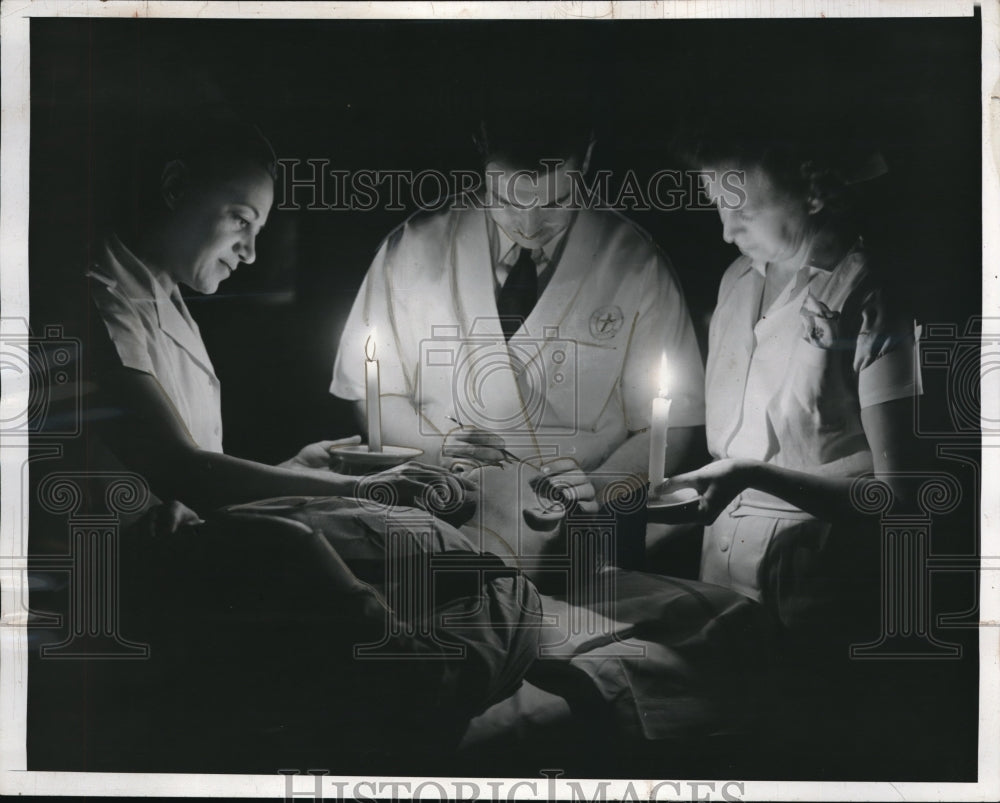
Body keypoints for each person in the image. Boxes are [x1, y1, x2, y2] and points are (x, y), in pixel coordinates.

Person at [330, 95, 706, 563]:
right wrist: (438, 450)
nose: (530, 224)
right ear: (481, 158)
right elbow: (375, 395)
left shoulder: (633, 263)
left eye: (556, 200)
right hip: (437, 528)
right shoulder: (412, 249)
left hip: (577, 540)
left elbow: (672, 424)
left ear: (585, 158)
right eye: (506, 199)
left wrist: (599, 488)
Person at [86, 117, 472, 519]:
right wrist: (360, 487)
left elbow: (204, 471)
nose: (250, 252)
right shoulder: (101, 302)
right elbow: (179, 469)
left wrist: (290, 473)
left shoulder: (165, 301)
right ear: (175, 186)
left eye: (258, 229)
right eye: (240, 218)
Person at [655, 128, 921, 641]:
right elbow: (728, 466)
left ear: (814, 194)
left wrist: (756, 475)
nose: (727, 232)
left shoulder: (870, 294)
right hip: (721, 583)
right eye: (718, 207)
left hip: (820, 593)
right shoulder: (736, 281)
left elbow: (899, 498)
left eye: (744, 214)